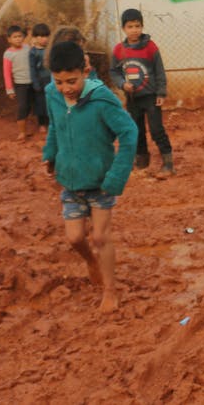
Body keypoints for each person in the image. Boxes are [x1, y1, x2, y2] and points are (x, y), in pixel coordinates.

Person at [41, 41, 137, 312]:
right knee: (74, 238)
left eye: (71, 81)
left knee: (100, 237)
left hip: (101, 182)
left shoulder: (102, 99)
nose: (66, 88)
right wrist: (50, 154)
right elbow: (55, 128)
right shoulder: (53, 94)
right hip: (70, 180)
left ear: (85, 71)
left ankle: (110, 290)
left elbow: (129, 134)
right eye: (59, 81)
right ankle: (91, 262)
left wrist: (116, 177)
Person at [110, 9, 174, 176]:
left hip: (151, 97)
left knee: (156, 129)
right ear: (123, 28)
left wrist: (161, 93)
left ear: (142, 26)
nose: (134, 30)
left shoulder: (150, 47)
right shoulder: (119, 50)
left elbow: (159, 71)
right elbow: (114, 72)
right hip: (133, 98)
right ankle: (142, 160)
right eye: (130, 26)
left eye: (137, 26)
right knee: (136, 129)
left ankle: (168, 163)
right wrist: (123, 84)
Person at [2, 25, 36, 140]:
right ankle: (22, 131)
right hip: (20, 84)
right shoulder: (8, 54)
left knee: (35, 103)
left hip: (32, 81)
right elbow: (6, 73)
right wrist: (9, 89)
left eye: (20, 36)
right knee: (22, 106)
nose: (18, 39)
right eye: (15, 37)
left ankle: (42, 125)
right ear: (9, 39)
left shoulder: (28, 48)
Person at [28, 23, 51, 135]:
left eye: (46, 36)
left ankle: (52, 122)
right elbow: (32, 68)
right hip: (40, 80)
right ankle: (42, 123)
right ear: (35, 38)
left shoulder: (50, 49)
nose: (44, 39)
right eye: (40, 36)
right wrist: (35, 83)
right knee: (40, 102)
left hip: (51, 80)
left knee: (51, 101)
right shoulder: (33, 52)